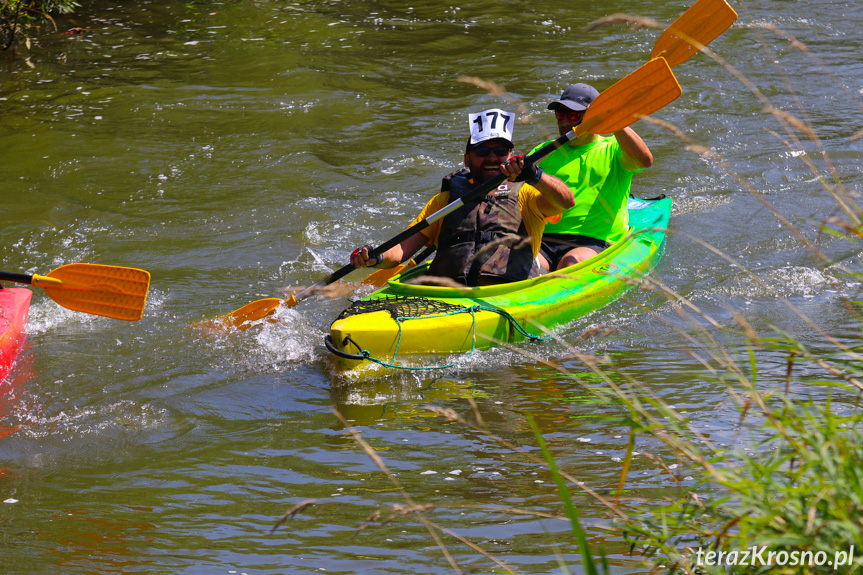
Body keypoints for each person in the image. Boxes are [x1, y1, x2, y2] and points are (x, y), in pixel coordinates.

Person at [351, 108, 574, 286]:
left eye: (500, 151)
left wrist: (536, 175)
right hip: (447, 297)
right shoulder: (444, 202)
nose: (492, 158)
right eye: (483, 151)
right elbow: (401, 250)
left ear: (510, 155)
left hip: (508, 293)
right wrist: (376, 257)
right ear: (467, 159)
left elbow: (565, 201)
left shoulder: (527, 192)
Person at [535, 83, 654, 271]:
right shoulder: (543, 152)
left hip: (594, 241)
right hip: (545, 240)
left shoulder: (613, 148)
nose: (565, 121)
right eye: (560, 113)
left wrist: (613, 120)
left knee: (570, 262)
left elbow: (644, 161)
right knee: (524, 265)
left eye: (573, 115)